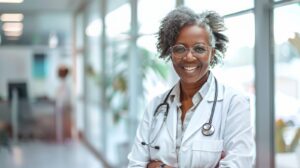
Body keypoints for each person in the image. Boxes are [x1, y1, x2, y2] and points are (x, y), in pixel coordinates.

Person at [128, 6, 254, 168]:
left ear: (212, 53)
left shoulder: (234, 103)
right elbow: (135, 165)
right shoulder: (155, 106)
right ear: (170, 52)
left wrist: (159, 166)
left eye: (199, 48)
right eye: (180, 48)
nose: (189, 57)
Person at [55, 65, 73, 142]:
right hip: (60, 106)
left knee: (64, 123)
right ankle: (61, 138)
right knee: (60, 124)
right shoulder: (61, 83)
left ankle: (64, 138)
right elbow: (58, 95)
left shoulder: (66, 84)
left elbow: (65, 96)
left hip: (64, 106)